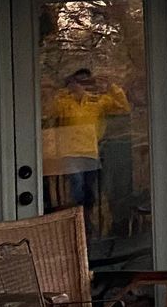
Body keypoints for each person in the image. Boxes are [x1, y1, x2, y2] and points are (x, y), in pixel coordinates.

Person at [42, 67, 129, 211]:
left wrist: (111, 86)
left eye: (86, 82)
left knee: (89, 187)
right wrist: (64, 89)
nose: (82, 86)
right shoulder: (64, 102)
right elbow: (48, 110)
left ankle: (86, 217)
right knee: (77, 184)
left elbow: (123, 108)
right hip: (69, 152)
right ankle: (78, 214)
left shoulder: (97, 101)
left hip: (90, 151)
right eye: (78, 82)